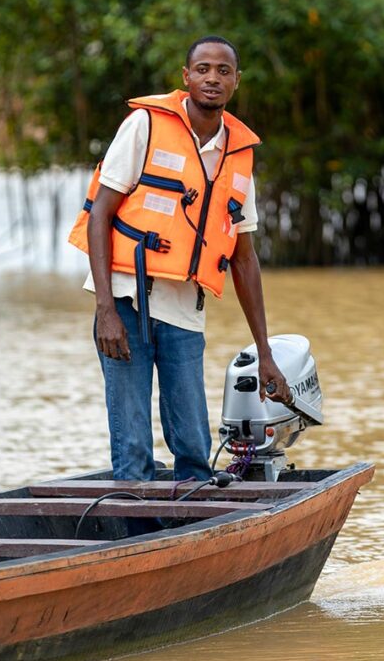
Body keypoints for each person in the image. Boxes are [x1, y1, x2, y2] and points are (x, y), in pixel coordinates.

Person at [68, 36, 291, 482]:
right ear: (185, 77)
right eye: (203, 69)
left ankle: (194, 529)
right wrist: (105, 310)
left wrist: (265, 353)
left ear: (236, 81)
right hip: (127, 302)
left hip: (184, 312)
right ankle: (134, 536)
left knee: (193, 444)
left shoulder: (239, 154)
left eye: (223, 71)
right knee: (131, 445)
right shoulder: (145, 125)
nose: (213, 78)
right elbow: (100, 216)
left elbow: (244, 259)